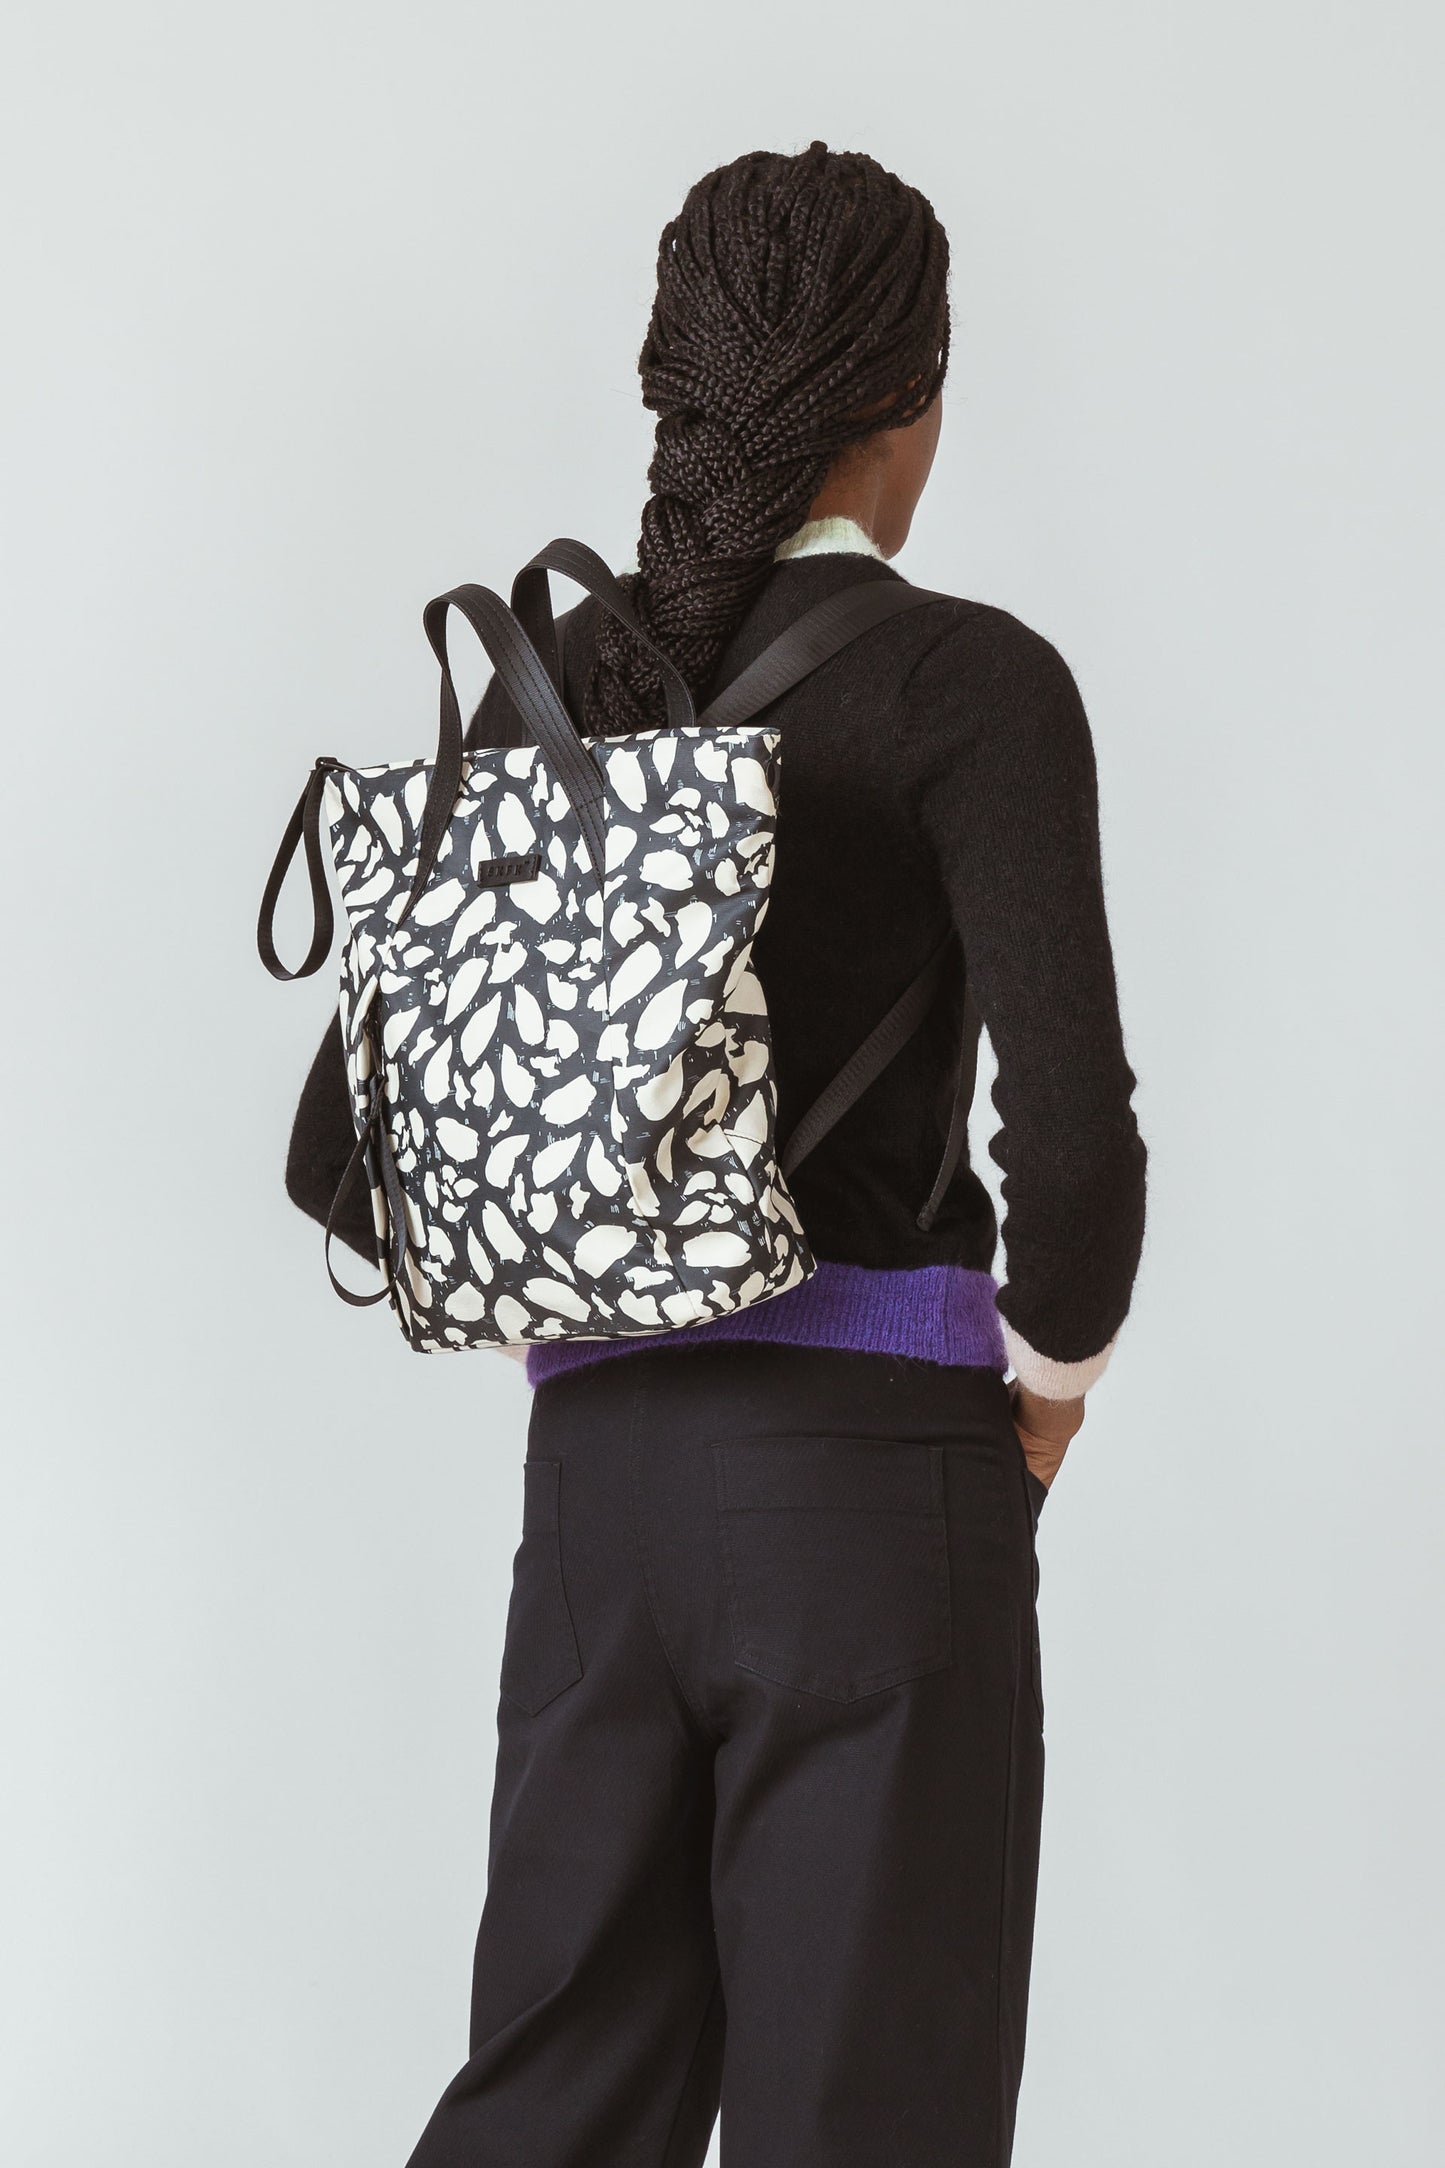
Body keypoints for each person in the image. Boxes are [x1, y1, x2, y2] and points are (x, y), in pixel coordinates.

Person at [285, 141, 1146, 2168]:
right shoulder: (973, 686)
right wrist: (1042, 1398)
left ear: (675, 385)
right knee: (869, 2129)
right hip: (878, 1495)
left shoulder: (563, 692)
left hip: (600, 1497)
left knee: (553, 2116)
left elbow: (342, 1152)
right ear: (911, 397)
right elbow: (1074, 1160)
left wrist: (588, 1273)